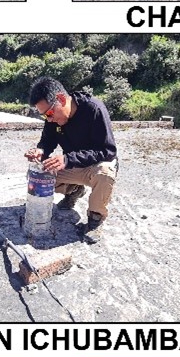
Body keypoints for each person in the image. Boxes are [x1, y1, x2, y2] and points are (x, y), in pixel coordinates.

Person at [24, 77, 118, 238]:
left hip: (94, 166)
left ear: (61, 98)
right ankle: (74, 190)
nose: (50, 119)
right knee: (37, 174)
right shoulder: (52, 119)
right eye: (45, 117)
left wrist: (67, 159)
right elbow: (47, 142)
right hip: (73, 164)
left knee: (105, 173)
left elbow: (108, 150)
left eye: (50, 113)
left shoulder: (94, 109)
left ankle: (95, 218)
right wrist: (40, 151)